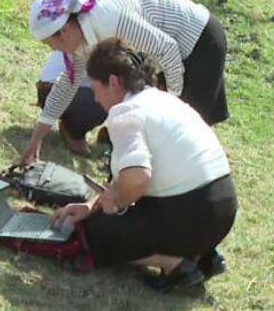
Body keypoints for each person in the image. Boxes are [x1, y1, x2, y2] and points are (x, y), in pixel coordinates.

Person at [49, 39, 238, 292]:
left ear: (114, 82)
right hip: (222, 210)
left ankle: (174, 263)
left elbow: (137, 178)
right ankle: (201, 254)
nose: (95, 98)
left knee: (93, 235)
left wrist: (116, 204)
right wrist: (91, 206)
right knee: (108, 219)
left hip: (191, 212)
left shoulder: (125, 112)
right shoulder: (164, 100)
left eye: (95, 88)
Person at [22, 0, 228, 165]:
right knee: (159, 124)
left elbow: (168, 49)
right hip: (166, 54)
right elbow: (67, 85)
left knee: (187, 122)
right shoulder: (80, 39)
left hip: (200, 40)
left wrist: (169, 102)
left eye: (51, 44)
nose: (53, 50)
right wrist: (36, 139)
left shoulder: (108, 20)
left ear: (65, 30)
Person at [36, 51, 107, 156]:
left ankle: (113, 135)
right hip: (54, 90)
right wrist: (36, 140)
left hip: (56, 89)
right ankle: (74, 132)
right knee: (111, 96)